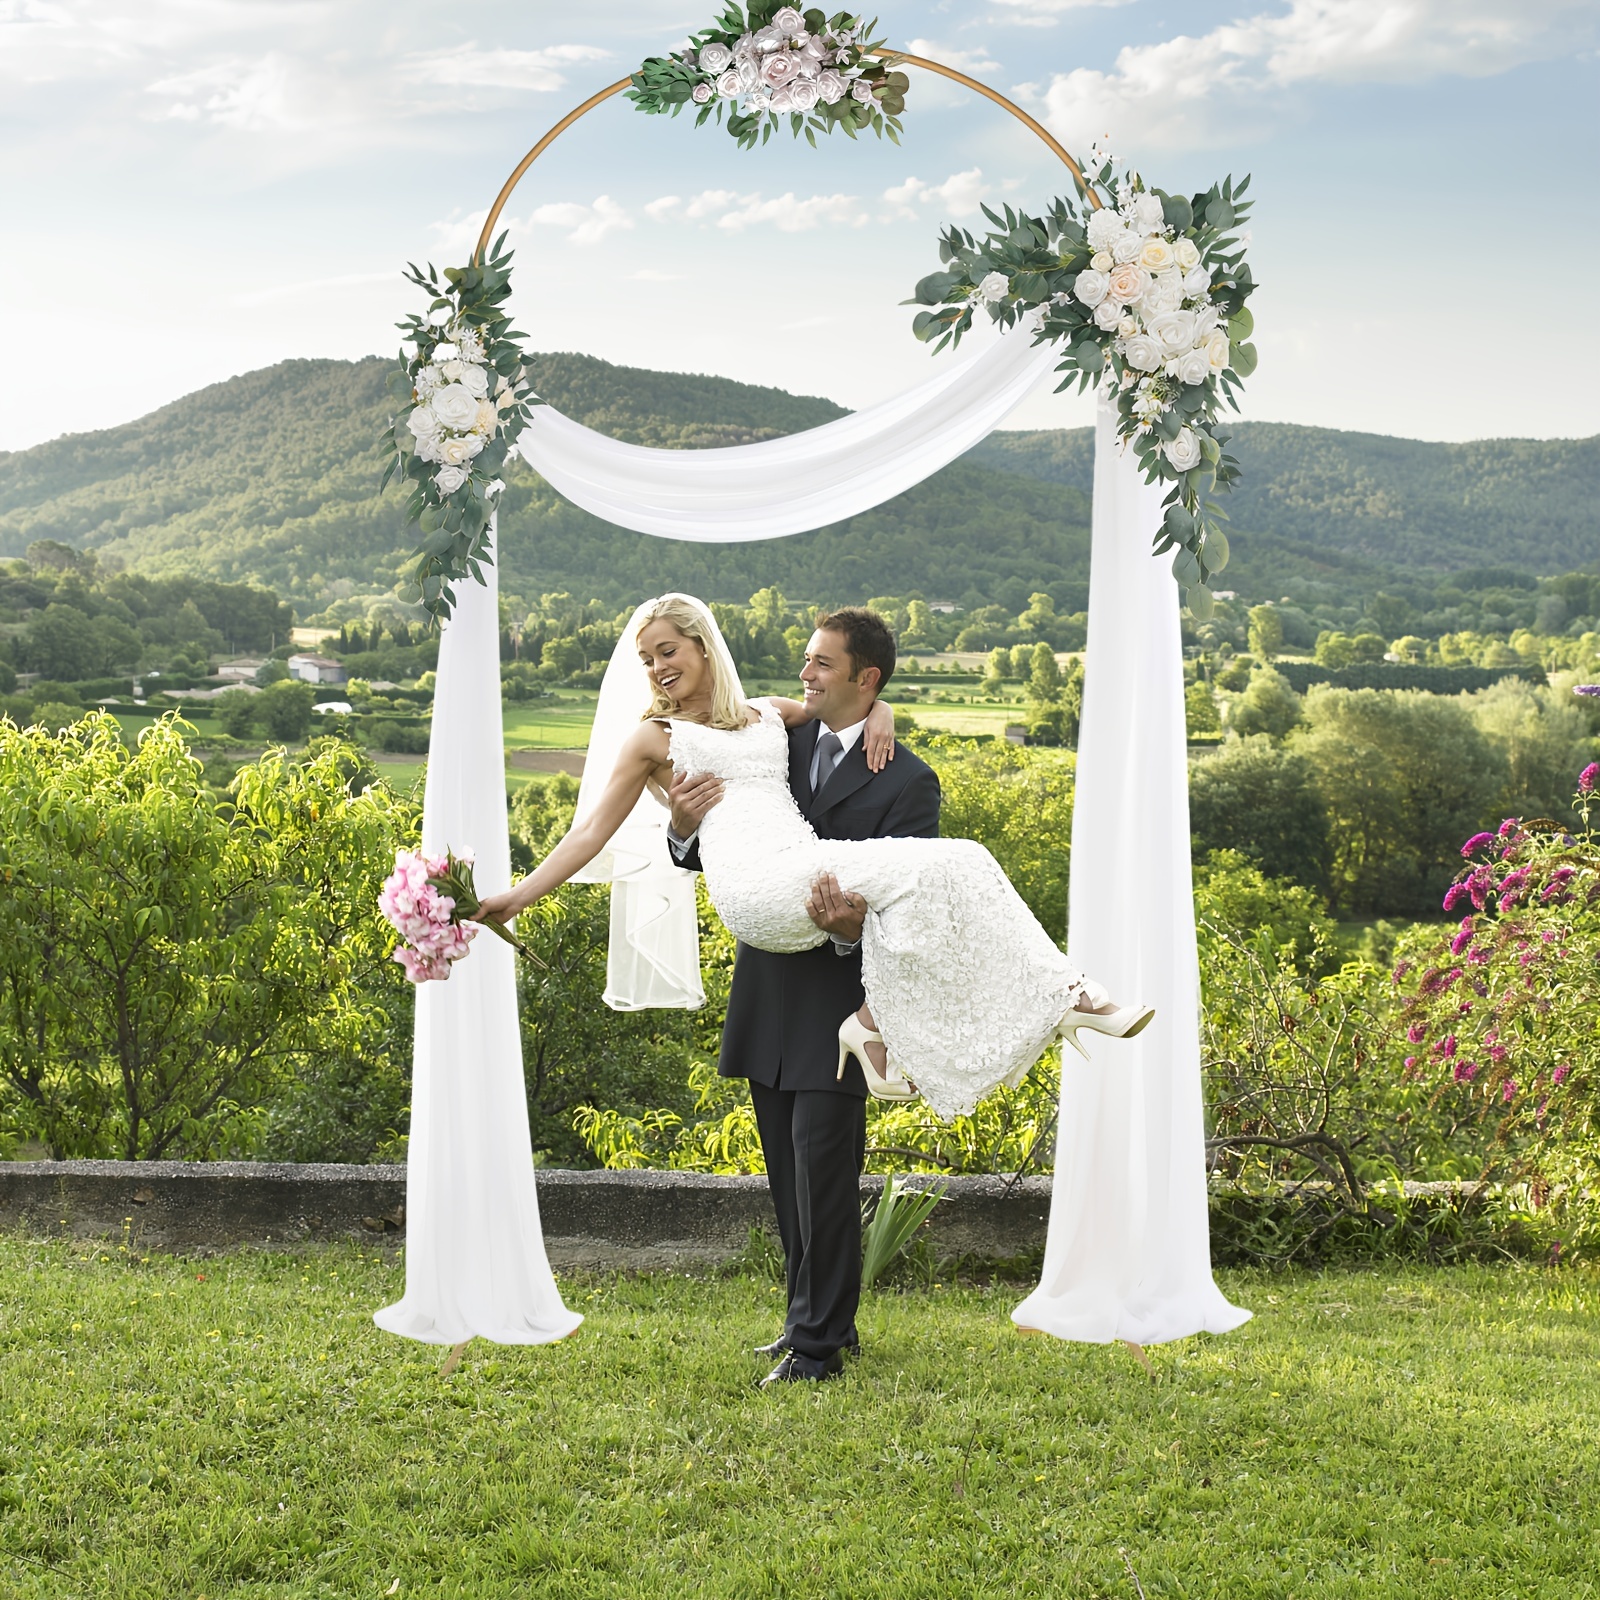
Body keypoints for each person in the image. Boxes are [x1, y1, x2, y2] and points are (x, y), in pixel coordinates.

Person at [476, 595, 1152, 1384]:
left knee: (953, 871)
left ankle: (818, 1336)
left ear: (704, 646)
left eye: (670, 651)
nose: (660, 669)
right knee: (791, 1167)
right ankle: (1065, 997)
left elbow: (847, 705)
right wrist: (527, 892)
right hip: (763, 907)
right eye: (648, 658)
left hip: (821, 938)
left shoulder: (773, 719)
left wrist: (883, 707)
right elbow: (589, 832)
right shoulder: (654, 740)